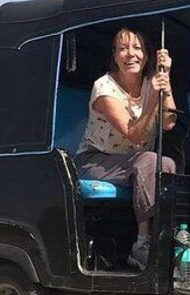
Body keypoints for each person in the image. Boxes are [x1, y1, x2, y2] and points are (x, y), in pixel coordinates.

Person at [75, 28, 177, 270]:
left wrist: (166, 80)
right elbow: (134, 133)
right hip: (95, 160)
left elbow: (169, 123)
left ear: (147, 55)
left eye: (137, 48)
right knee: (150, 161)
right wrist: (153, 97)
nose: (130, 54)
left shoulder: (152, 82)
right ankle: (142, 245)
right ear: (115, 56)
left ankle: (166, 237)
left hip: (134, 162)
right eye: (123, 49)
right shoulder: (103, 87)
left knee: (168, 163)